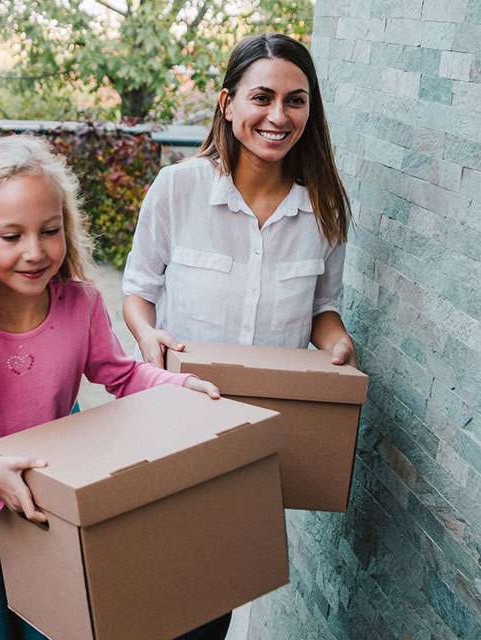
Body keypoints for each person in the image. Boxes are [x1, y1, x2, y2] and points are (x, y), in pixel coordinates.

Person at [0, 135, 222, 640]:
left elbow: (122, 374)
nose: (35, 252)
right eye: (11, 236)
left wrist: (179, 386)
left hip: (48, 516)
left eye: (49, 231)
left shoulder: (81, 305)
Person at [122, 32, 359, 639]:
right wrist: (148, 338)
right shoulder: (179, 188)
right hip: (176, 415)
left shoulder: (324, 209)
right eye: (263, 97)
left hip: (259, 429)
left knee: (214, 593)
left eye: (296, 101)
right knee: (152, 577)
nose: (279, 117)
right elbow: (138, 290)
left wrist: (335, 343)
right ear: (227, 103)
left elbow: (322, 308)